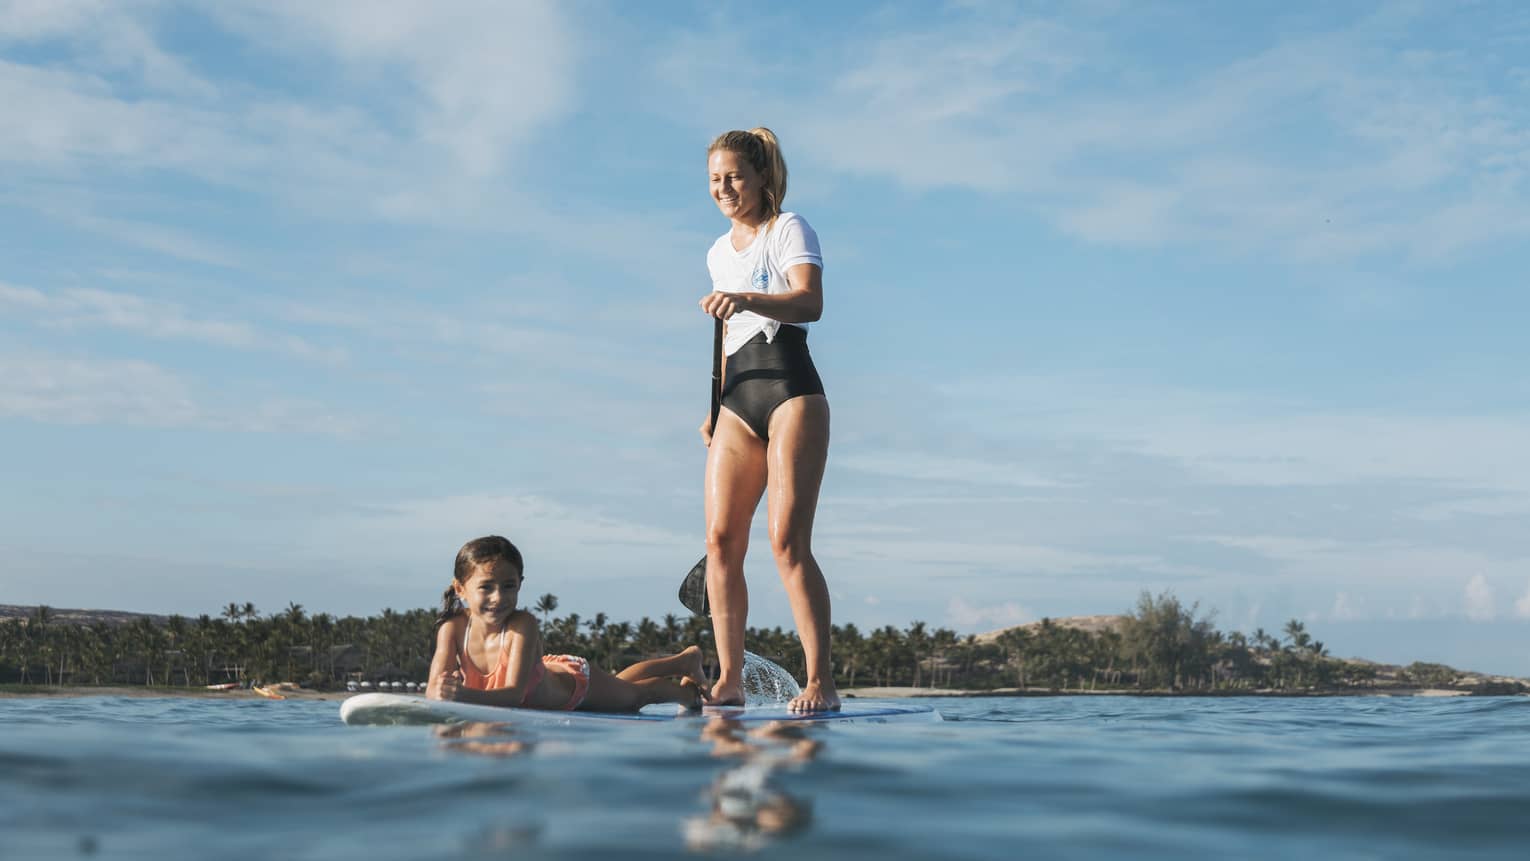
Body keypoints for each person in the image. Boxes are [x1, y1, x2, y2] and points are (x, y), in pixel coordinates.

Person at [698, 128, 839, 712]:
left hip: (790, 391)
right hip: (736, 399)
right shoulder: (715, 251)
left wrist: (751, 298)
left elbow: (811, 303)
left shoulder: (788, 229)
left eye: (733, 176)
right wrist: (712, 410)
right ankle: (729, 679)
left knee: (786, 543)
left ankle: (820, 682)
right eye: (714, 180)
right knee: (721, 541)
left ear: (759, 177)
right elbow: (725, 337)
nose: (724, 188)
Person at [428, 535, 705, 711]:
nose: (498, 597)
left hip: (574, 688)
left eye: (508, 586)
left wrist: (460, 695)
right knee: (621, 684)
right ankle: (683, 661)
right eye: (486, 587)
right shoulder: (452, 629)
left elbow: (513, 696)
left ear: (520, 585)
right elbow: (433, 689)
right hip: (550, 673)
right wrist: (442, 689)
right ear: (461, 588)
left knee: (635, 698)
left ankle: (687, 694)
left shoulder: (522, 626)